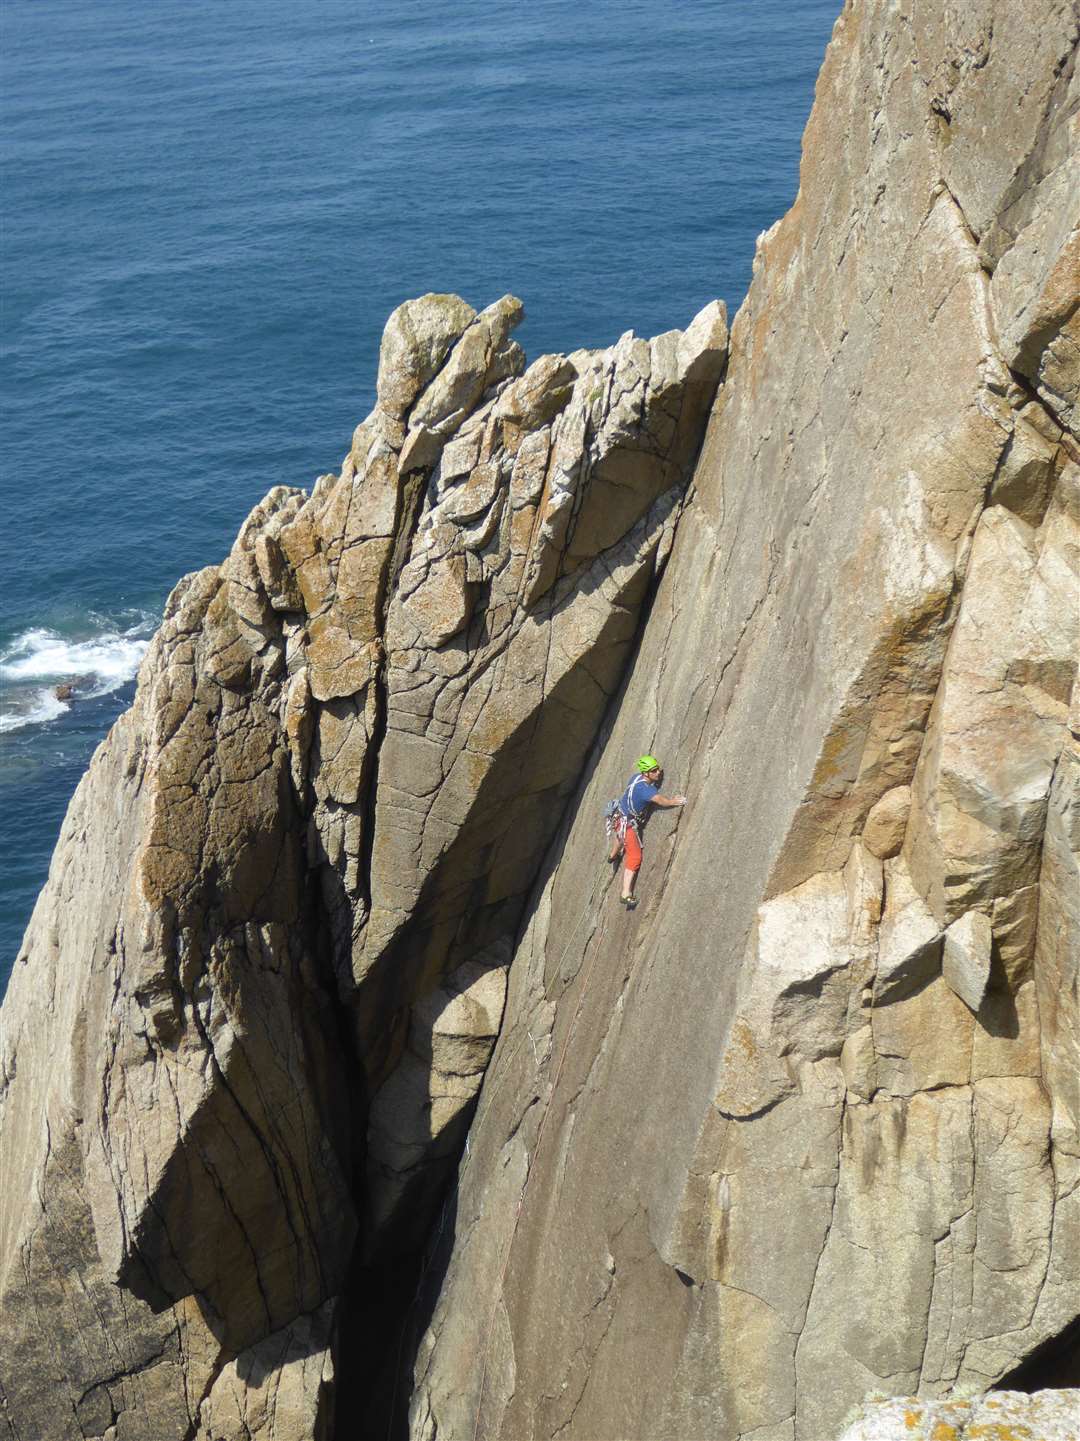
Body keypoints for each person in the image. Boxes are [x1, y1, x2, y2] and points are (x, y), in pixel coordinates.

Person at [607, 755, 686, 908]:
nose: (658, 772)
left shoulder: (636, 777)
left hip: (618, 815)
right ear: (646, 773)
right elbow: (660, 801)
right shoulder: (645, 790)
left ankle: (612, 855)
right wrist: (674, 801)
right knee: (635, 857)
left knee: (619, 835)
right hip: (626, 823)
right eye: (654, 771)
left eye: (658, 769)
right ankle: (625, 894)